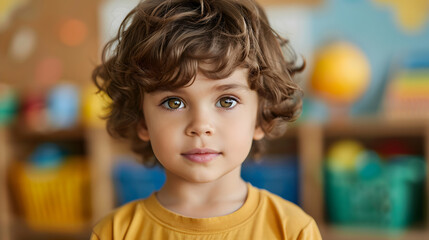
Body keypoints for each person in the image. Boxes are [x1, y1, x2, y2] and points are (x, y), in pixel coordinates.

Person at [90, 0, 322, 239]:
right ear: (142, 120)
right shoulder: (114, 233)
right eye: (174, 103)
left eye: (226, 101)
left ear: (261, 117)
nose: (200, 126)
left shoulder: (293, 230)